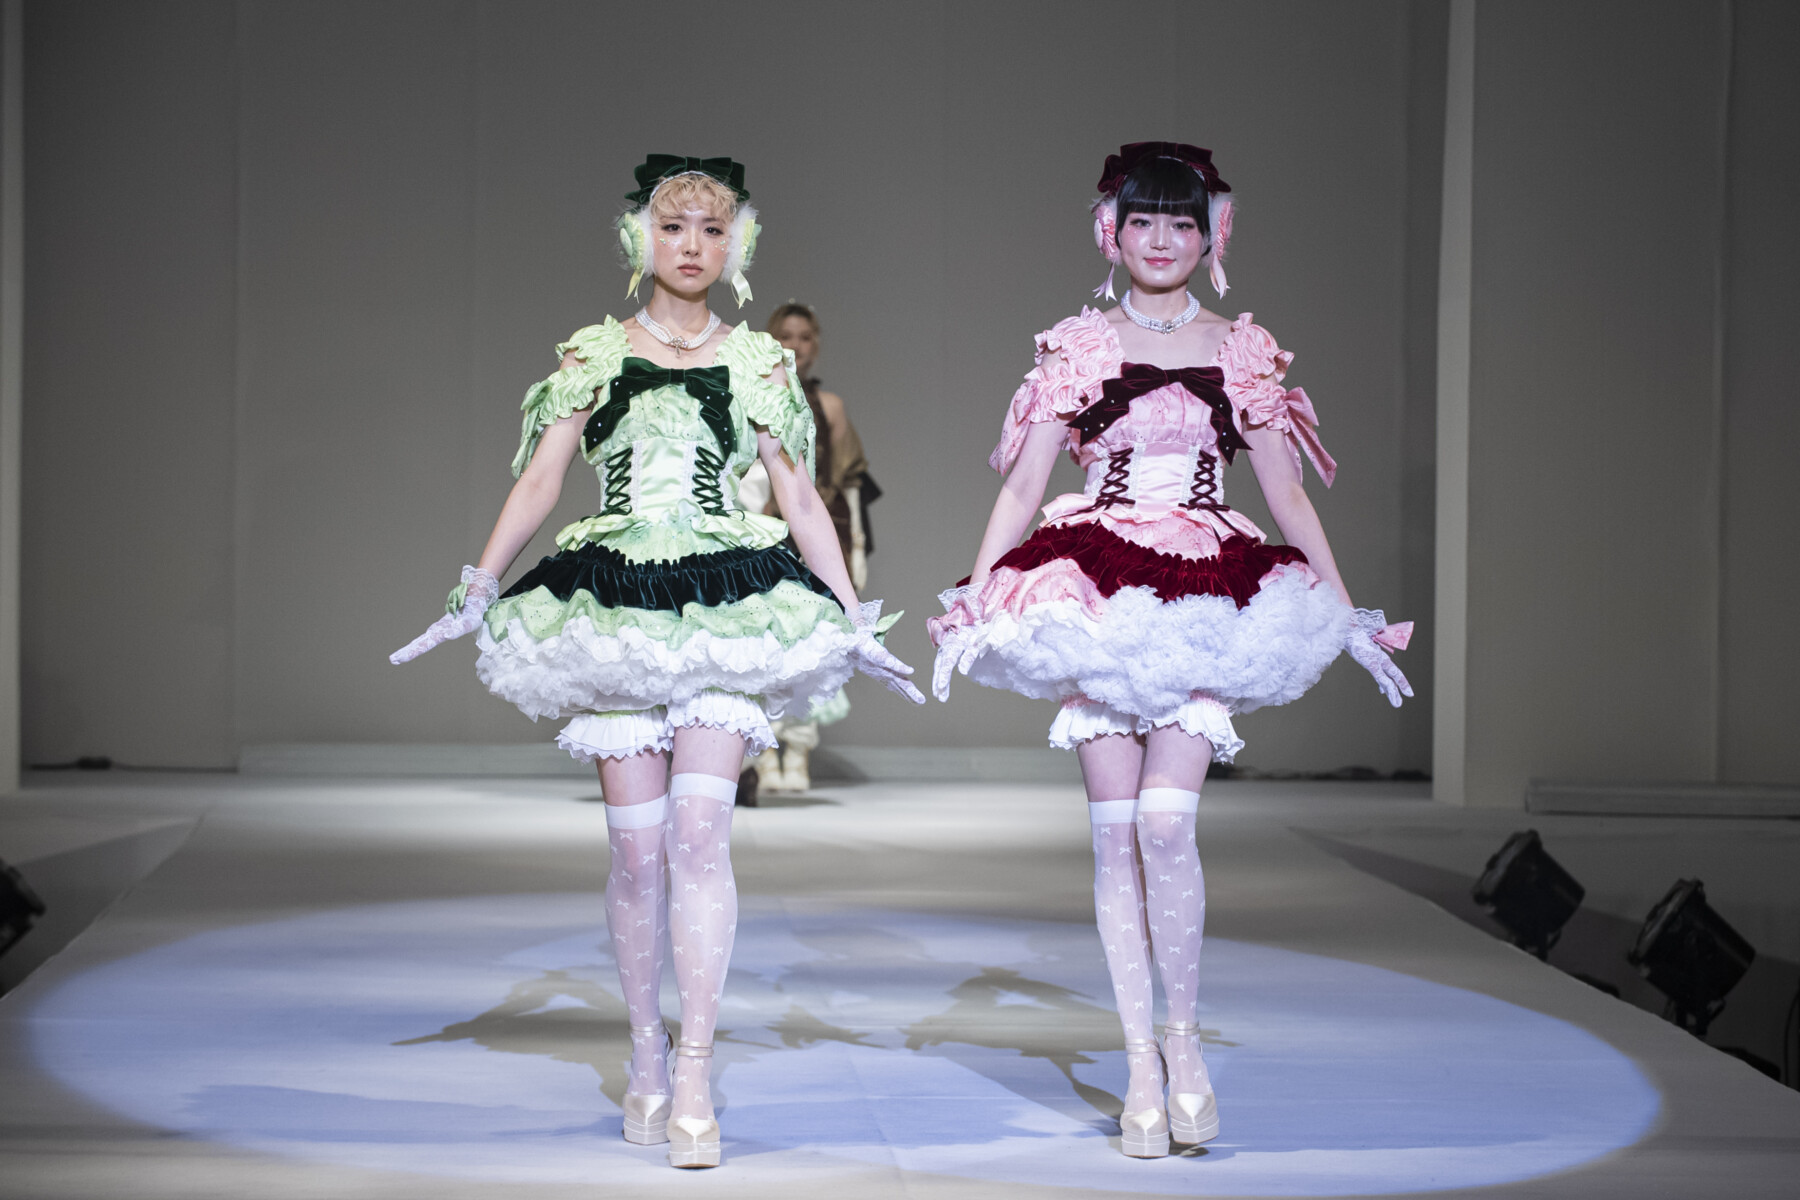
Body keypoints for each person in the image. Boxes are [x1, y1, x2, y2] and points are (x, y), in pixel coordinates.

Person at [390, 155, 924, 1169]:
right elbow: (542, 479)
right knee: (638, 856)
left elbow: (799, 497)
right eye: (675, 226)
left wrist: (857, 620)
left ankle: (694, 1073)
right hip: (615, 604)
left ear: (737, 245)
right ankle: (645, 1048)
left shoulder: (757, 361)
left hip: (724, 599)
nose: (692, 246)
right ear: (640, 237)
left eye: (713, 230)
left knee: (700, 838)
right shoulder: (594, 354)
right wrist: (478, 586)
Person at [929, 142, 1412, 1159]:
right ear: (1110, 229)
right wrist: (976, 594)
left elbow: (1287, 494)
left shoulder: (1241, 348)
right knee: (1115, 837)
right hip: (1098, 587)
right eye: (1142, 220)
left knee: (1163, 821)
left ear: (1212, 234)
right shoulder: (1077, 345)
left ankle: (1183, 1045)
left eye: (1181, 222)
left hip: (1203, 590)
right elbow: (1022, 487)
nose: (1161, 240)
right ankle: (1140, 1067)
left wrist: (1346, 612)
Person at [737, 302, 880, 792]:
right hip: (756, 533)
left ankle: (797, 750)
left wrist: (855, 548)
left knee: (811, 644)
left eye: (804, 337)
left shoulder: (829, 407)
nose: (795, 346)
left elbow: (848, 481)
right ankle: (762, 754)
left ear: (815, 344)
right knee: (759, 642)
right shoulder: (745, 395)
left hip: (813, 531)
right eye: (785, 336)